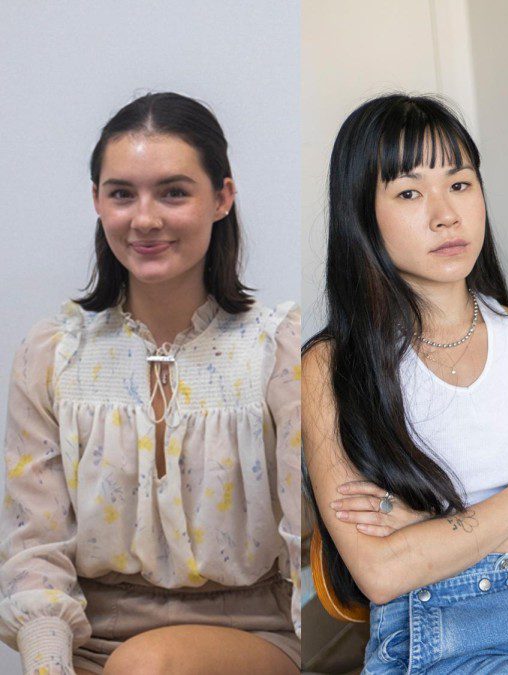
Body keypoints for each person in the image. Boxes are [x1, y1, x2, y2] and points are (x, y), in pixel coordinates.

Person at [0, 93, 302, 674]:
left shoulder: (277, 349)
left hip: (250, 636)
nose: (144, 219)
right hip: (85, 642)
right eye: (121, 194)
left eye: (173, 192)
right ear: (97, 202)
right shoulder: (51, 353)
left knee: (148, 665)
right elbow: (33, 546)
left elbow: (305, 539)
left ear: (221, 199)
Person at [302, 93, 508, 673]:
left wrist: (432, 533)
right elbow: (383, 573)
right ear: (363, 213)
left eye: (460, 185)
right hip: (444, 623)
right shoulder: (330, 369)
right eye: (410, 193)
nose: (446, 215)